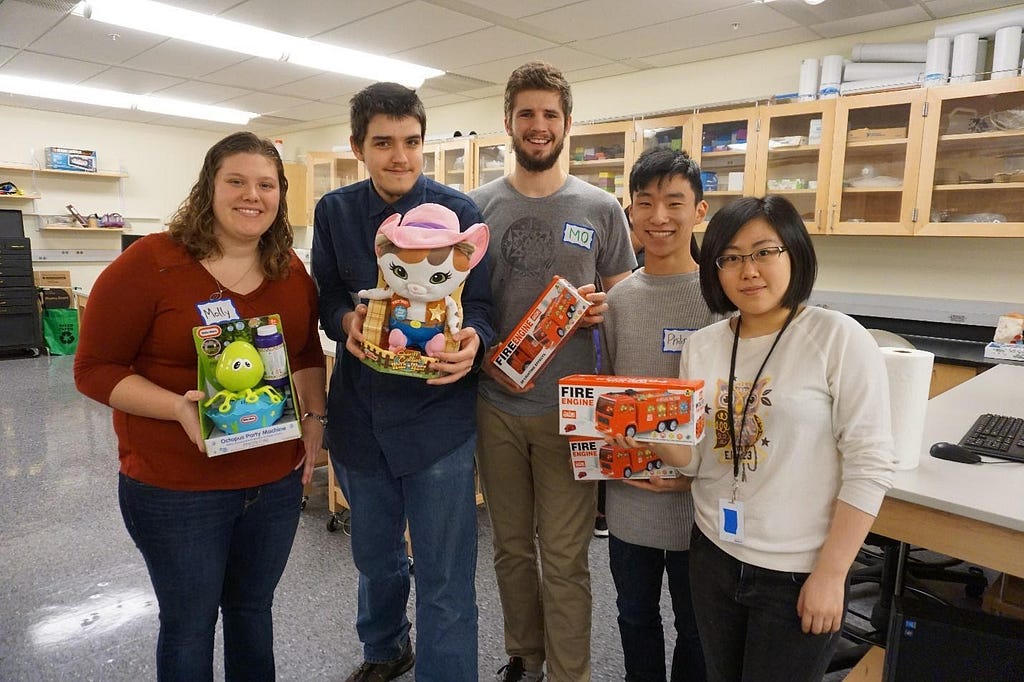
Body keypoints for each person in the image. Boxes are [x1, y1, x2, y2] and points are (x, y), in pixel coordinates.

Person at [74, 131, 326, 681]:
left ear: (281, 195)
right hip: (176, 487)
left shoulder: (289, 270)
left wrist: (315, 421)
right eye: (235, 181)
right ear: (209, 187)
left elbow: (305, 352)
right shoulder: (150, 262)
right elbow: (93, 369)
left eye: (266, 184)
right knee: (189, 626)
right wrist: (177, 408)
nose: (250, 195)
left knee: (252, 613)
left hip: (272, 484)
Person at [610, 195, 895, 681]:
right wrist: (647, 433)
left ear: (795, 254)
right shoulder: (704, 345)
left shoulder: (836, 338)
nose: (750, 270)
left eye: (765, 251)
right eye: (732, 257)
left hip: (797, 569)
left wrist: (831, 574)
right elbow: (699, 459)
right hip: (713, 556)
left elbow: (870, 464)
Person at [312, 82, 495, 682]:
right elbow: (329, 295)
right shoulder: (335, 212)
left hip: (437, 420)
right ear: (357, 146)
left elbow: (485, 303)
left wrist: (475, 342)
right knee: (375, 557)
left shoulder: (459, 214)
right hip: (360, 417)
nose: (400, 157)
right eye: (383, 143)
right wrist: (345, 322)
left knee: (445, 571)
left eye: (412, 142)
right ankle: (387, 648)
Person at [469, 61, 636, 682]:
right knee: (511, 549)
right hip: (495, 405)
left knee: (564, 557)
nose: (538, 127)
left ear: (568, 124)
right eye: (526, 114)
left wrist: (604, 307)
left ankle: (570, 673)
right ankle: (524, 656)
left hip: (572, 411)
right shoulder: (477, 207)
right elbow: (458, 302)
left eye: (550, 115)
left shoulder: (600, 208)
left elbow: (626, 298)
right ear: (507, 122)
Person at [603, 147, 717, 682]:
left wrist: (695, 470)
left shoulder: (724, 301)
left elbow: (740, 407)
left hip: (702, 506)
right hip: (631, 501)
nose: (659, 217)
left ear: (700, 210)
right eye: (645, 203)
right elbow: (601, 403)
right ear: (631, 213)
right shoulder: (619, 300)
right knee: (634, 616)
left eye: (675, 202)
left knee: (697, 627)